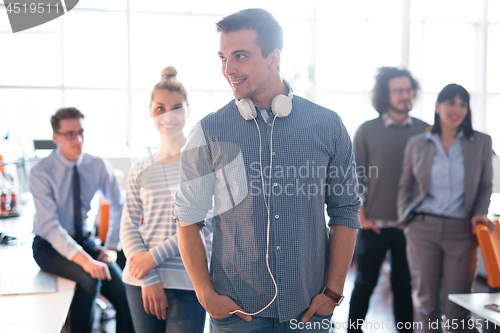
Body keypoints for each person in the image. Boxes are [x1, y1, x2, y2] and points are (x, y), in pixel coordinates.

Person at [174, 8, 362, 333]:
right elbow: (187, 217)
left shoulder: (328, 126)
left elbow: (345, 212)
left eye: (240, 56)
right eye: (222, 57)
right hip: (235, 314)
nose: (228, 69)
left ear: (273, 58)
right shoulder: (207, 132)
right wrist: (206, 295)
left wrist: (332, 293)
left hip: (309, 311)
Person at [398, 83, 495, 333]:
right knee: (428, 306)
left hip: (461, 230)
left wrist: (478, 213)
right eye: (451, 102)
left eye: (463, 104)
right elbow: (406, 185)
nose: (457, 109)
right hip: (422, 229)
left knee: (457, 309)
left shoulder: (481, 142)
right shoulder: (417, 143)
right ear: (438, 106)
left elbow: (485, 186)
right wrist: (406, 221)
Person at [120, 66, 211, 333]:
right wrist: (148, 275)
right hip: (141, 281)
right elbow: (127, 226)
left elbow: (202, 226)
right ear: (150, 111)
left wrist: (152, 258)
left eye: (176, 107)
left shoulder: (201, 164)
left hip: (187, 280)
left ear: (187, 111)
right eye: (160, 107)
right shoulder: (140, 167)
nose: (168, 115)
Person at [30, 107, 134, 333]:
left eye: (81, 132)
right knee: (90, 278)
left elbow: (119, 205)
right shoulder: (41, 172)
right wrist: (86, 261)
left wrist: (113, 247)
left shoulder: (96, 165)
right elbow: (50, 226)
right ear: (55, 137)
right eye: (69, 134)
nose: (77, 139)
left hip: (86, 241)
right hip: (49, 246)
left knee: (127, 299)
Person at [348, 67, 428, 332]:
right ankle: (353, 329)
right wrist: (361, 215)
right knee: (364, 284)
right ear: (386, 95)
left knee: (404, 287)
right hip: (374, 224)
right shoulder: (367, 130)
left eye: (408, 90)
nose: (406, 95)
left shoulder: (424, 131)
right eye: (399, 91)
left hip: (410, 226)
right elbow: (354, 175)